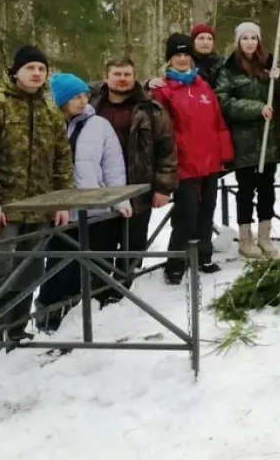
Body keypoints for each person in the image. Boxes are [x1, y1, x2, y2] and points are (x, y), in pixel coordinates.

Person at [0, 46, 73, 355]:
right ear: (15, 72)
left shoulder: (50, 112)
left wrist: (61, 201)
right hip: (4, 210)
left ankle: (16, 332)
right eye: (30, 68)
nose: (36, 73)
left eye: (41, 68)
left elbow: (62, 160)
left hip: (39, 209)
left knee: (30, 273)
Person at [35, 73, 132, 332]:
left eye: (84, 96)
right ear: (60, 100)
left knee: (90, 261)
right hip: (59, 209)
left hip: (94, 207)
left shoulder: (99, 125)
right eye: (75, 97)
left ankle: (81, 312)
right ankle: (48, 311)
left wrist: (118, 198)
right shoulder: (46, 125)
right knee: (57, 262)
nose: (81, 101)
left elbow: (112, 166)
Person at [89, 57, 178, 302]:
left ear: (134, 76)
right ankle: (98, 290)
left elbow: (167, 149)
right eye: (117, 74)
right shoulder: (90, 104)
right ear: (106, 77)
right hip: (99, 189)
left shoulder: (150, 108)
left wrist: (163, 187)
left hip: (138, 187)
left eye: (127, 74)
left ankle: (121, 289)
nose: (122, 79)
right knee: (101, 241)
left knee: (133, 242)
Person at [151, 33, 234, 283]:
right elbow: (161, 130)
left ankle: (203, 256)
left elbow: (218, 123)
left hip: (209, 161)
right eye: (178, 55)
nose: (183, 59)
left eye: (186, 54)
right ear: (169, 59)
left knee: (207, 210)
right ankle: (175, 262)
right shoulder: (163, 90)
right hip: (183, 163)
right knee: (186, 214)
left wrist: (224, 155)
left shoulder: (203, 86)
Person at [215, 22, 280, 259]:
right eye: (245, 38)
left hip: (269, 140)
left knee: (267, 189)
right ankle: (245, 239)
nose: (250, 42)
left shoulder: (269, 64)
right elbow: (224, 101)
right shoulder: (229, 70)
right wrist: (256, 108)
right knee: (246, 190)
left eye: (253, 38)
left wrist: (278, 80)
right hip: (245, 141)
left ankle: (265, 237)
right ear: (238, 41)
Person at [190, 23, 225, 88]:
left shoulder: (222, 64)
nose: (206, 42)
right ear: (193, 42)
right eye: (201, 38)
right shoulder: (186, 63)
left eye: (209, 39)